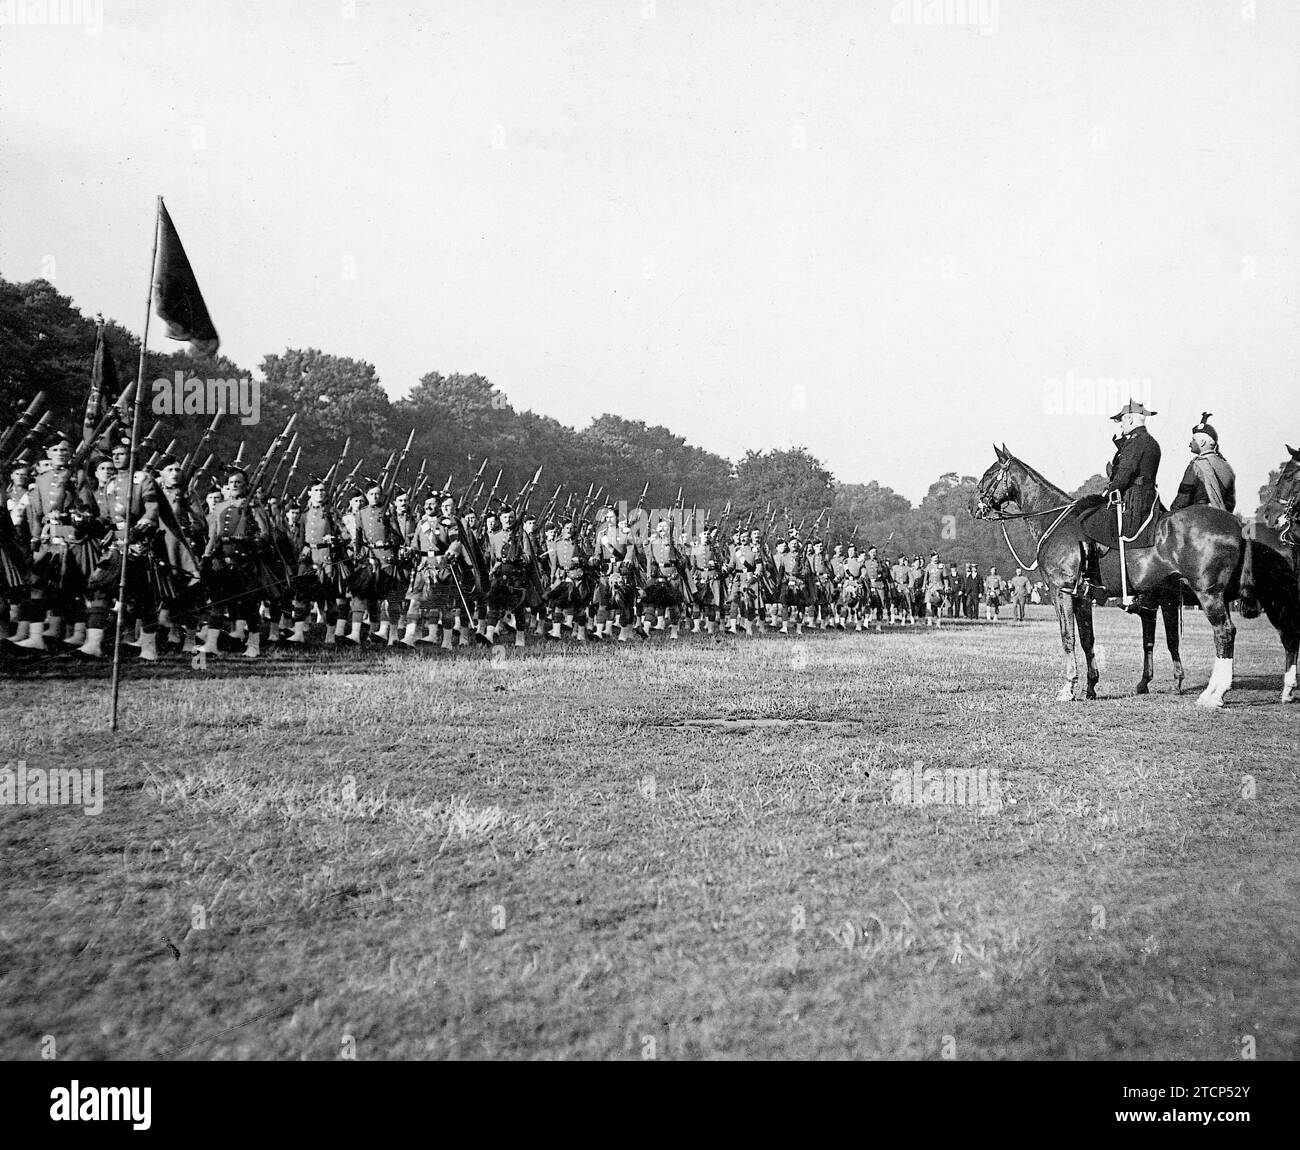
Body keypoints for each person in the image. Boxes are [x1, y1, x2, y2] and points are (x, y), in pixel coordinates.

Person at [1079, 399, 1162, 611]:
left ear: (1131, 418)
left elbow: (1126, 471)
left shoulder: (1136, 441)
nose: (1120, 425)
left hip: (1134, 499)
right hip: (1148, 497)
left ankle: (1091, 581)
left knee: (1088, 522)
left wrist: (1110, 489)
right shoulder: (1148, 441)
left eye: (1122, 421)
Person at [1169, 413, 1236, 513]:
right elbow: (1230, 502)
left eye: (1193, 440)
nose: (1190, 443)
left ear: (1202, 443)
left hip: (1197, 514)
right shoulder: (1228, 467)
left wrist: (1172, 510)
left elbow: (1183, 498)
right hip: (1223, 515)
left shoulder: (1196, 466)